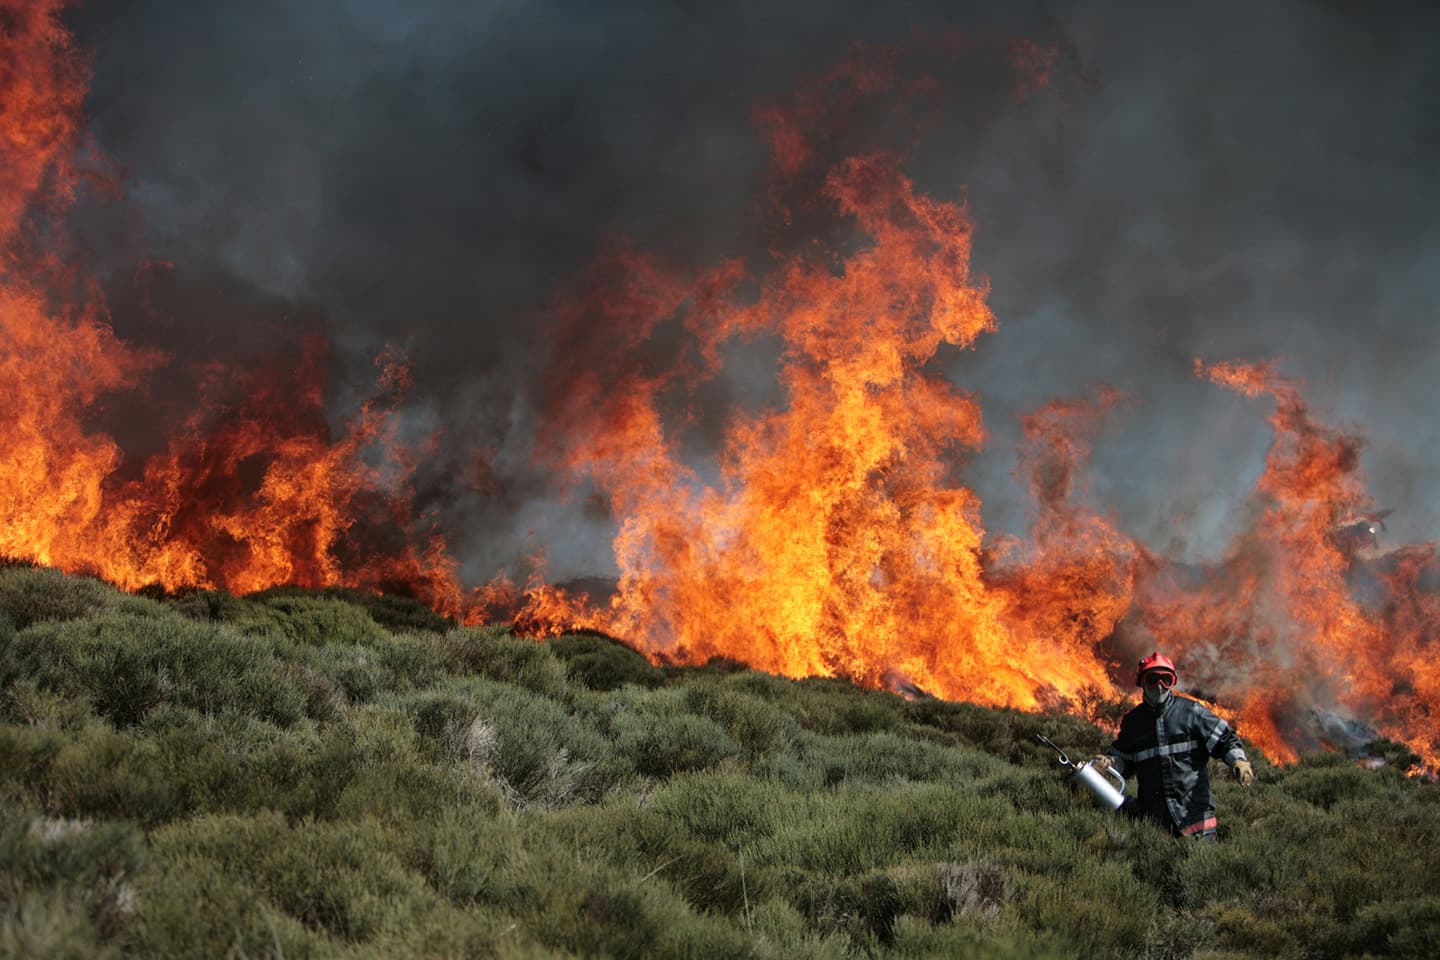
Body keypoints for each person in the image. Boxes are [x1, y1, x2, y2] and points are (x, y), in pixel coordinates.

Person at [1092, 652, 1254, 841]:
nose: (1159, 687)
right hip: (1156, 827)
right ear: (1142, 683)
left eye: (1165, 680)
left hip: (1197, 823)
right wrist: (1109, 763)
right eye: (1153, 679)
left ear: (1173, 682)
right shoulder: (1133, 723)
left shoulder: (1192, 712)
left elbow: (1225, 740)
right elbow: (1123, 762)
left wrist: (1239, 761)